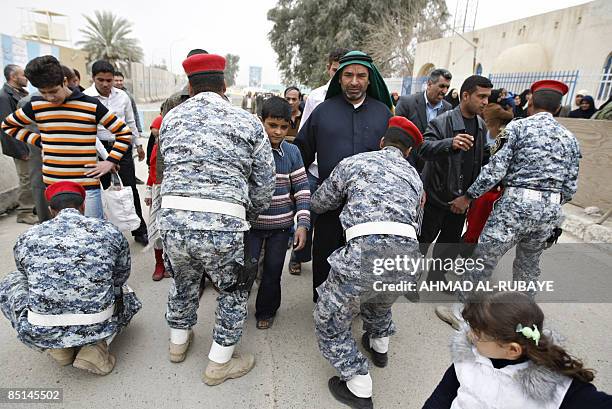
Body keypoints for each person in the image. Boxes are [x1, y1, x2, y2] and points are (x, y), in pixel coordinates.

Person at [159, 53, 275, 384]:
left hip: (173, 223)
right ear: (224, 85)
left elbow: (165, 169)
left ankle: (177, 346)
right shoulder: (248, 121)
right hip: (224, 225)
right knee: (233, 290)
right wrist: (245, 215)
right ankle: (219, 363)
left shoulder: (171, 119)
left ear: (190, 87)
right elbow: (265, 182)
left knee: (182, 283)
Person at [437, 80, 581, 328]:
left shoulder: (518, 128)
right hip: (550, 210)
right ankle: (525, 324)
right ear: (558, 109)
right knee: (528, 267)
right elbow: (570, 187)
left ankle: (462, 314)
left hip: (516, 205)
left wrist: (468, 196)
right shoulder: (570, 139)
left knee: (484, 259)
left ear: (530, 102)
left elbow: (495, 171)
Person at [312, 117, 424, 409]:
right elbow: (418, 223)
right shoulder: (414, 177)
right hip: (409, 256)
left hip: (365, 250)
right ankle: (379, 345)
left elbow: (322, 201)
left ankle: (358, 382)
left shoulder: (354, 162)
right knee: (379, 300)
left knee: (329, 317)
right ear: (409, 151)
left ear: (382, 143)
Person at [0, 181, 141, 375]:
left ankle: (59, 347)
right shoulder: (109, 230)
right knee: (125, 292)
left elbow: (26, 275)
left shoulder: (28, 237)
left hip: (42, 328)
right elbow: (121, 276)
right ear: (83, 206)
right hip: (98, 322)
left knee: (11, 281)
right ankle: (95, 348)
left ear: (51, 210)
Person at [295, 50, 393, 302]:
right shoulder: (323, 111)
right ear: (339, 79)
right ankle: (323, 301)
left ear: (370, 80)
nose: (354, 81)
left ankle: (355, 304)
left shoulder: (384, 113)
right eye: (348, 75)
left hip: (369, 207)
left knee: (362, 258)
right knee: (325, 253)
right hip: (329, 202)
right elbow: (301, 153)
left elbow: (397, 157)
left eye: (361, 75)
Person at [423, 292, 612, 408]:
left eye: (478, 334)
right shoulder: (468, 356)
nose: (470, 336)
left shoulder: (556, 387)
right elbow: (443, 395)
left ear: (513, 349)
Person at [0, 55, 133, 219]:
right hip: (54, 185)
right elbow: (8, 126)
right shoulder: (36, 105)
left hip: (86, 185)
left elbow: (124, 132)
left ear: (64, 81)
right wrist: (40, 141)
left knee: (91, 233)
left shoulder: (90, 105)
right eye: (44, 92)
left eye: (54, 91)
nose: (50, 98)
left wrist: (111, 161)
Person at [417, 75, 492, 285]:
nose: (486, 102)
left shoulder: (480, 125)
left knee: (449, 244)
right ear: (466, 96)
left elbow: (482, 155)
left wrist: (499, 147)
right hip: (436, 197)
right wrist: (451, 143)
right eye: (481, 96)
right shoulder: (442, 121)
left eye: (488, 97)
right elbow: (423, 148)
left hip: (462, 199)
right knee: (422, 242)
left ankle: (436, 278)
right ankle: (409, 280)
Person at [250, 96, 310, 329]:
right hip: (252, 227)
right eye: (272, 125)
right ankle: (234, 309)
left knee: (273, 271)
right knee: (246, 268)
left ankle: (266, 310)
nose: (278, 132)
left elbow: (303, 189)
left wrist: (303, 224)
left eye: (283, 127)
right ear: (261, 121)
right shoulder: (251, 150)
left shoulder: (293, 153)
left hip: (281, 227)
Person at [288, 46, 348, 276]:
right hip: (315, 173)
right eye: (335, 70)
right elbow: (306, 135)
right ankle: (298, 256)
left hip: (344, 176)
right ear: (328, 69)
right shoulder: (316, 97)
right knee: (307, 218)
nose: (339, 75)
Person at [84, 60, 148, 244]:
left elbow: (130, 123)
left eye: (109, 80)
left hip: (122, 146)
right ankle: (111, 233)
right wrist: (107, 157)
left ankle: (139, 229)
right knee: (105, 192)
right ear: (93, 78)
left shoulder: (122, 96)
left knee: (129, 188)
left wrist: (138, 145)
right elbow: (88, 131)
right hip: (98, 148)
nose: (105, 84)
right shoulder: (86, 97)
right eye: (100, 80)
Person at [12, 65, 80, 224]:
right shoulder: (29, 102)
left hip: (48, 158)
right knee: (46, 191)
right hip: (45, 158)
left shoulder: (27, 101)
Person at [395, 68, 453, 172]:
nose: (444, 91)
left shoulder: (448, 108)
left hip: (433, 171)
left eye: (447, 87)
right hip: (407, 166)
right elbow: (397, 137)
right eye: (441, 86)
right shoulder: (406, 103)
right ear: (429, 84)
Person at [0, 64, 38, 224]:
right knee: (26, 179)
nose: (26, 78)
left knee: (33, 179)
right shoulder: (4, 97)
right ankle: (24, 212)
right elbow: (5, 127)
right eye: (23, 75)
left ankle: (33, 208)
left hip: (29, 143)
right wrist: (21, 151)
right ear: (13, 77)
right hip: (20, 147)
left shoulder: (22, 93)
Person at [144, 114, 168, 281]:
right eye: (154, 137)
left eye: (159, 136)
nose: (156, 140)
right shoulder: (155, 147)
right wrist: (148, 192)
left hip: (175, 191)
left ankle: (170, 263)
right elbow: (151, 171)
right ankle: (159, 263)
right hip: (157, 189)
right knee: (157, 227)